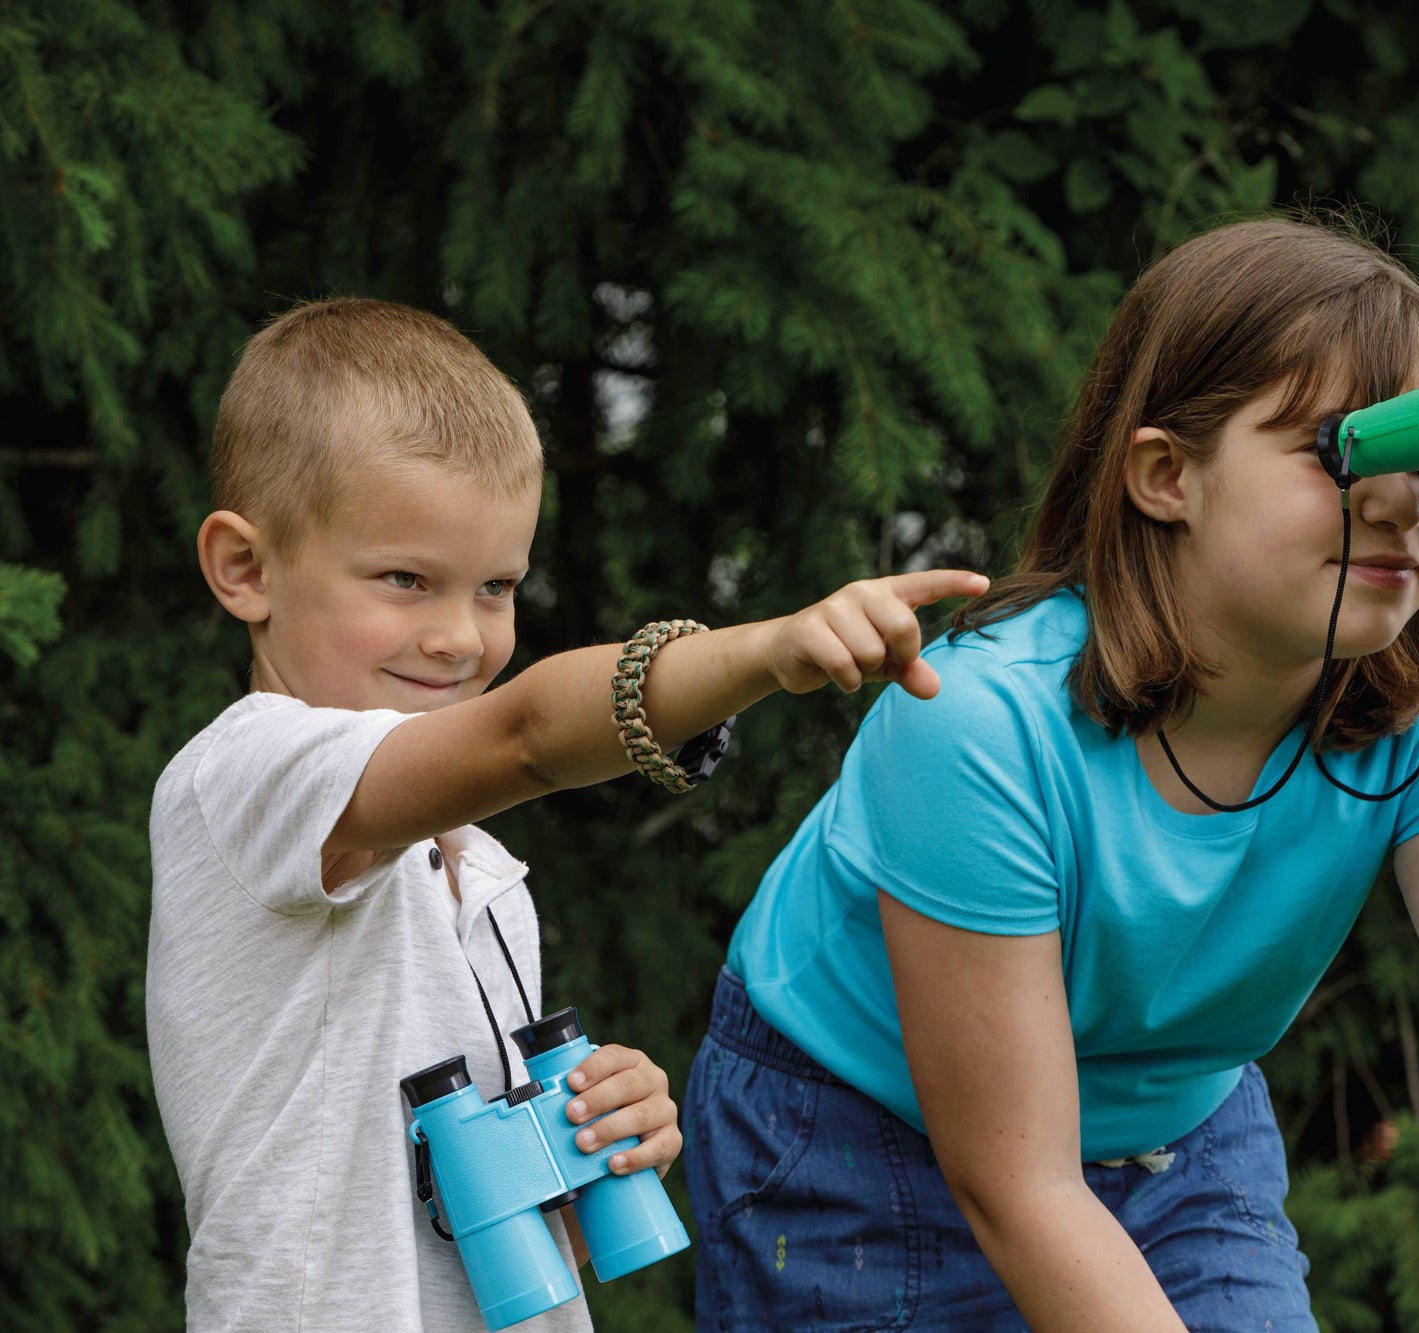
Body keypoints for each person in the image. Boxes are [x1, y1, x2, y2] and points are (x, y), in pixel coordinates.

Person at [683, 216, 1419, 1330]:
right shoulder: (975, 723)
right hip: (850, 1136)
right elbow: (1019, 1183)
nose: (1396, 502)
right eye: (1340, 452)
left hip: (1172, 1125)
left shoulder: (1410, 713)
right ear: (1162, 474)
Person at [145, 297, 986, 1332]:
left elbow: (473, 1229)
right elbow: (527, 736)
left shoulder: (476, 870)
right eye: (405, 579)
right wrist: (759, 655)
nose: (459, 636)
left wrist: (593, 1136)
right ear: (246, 569)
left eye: (496, 586)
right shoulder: (241, 776)